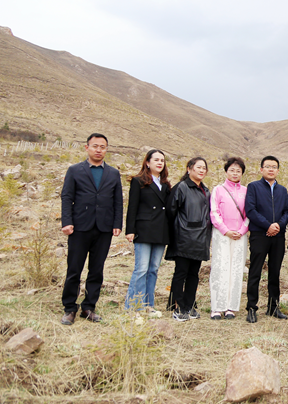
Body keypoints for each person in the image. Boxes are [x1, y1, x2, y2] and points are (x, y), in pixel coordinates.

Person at [60, 133, 123, 325]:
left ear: (106, 149)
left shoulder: (113, 173)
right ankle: (70, 308)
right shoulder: (74, 170)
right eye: (95, 146)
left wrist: (117, 224)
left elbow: (118, 201)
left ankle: (89, 307)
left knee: (96, 270)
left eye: (102, 147)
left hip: (104, 228)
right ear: (87, 147)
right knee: (74, 268)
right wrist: (66, 222)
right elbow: (66, 197)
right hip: (79, 227)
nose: (99, 150)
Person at [244, 155, 288, 323]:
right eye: (268, 166)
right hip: (259, 235)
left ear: (278, 170)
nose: (271, 169)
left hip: (278, 236)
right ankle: (251, 307)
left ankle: (273, 307)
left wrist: (278, 225)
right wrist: (267, 226)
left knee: (275, 272)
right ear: (261, 169)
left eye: (274, 167)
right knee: (255, 271)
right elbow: (250, 210)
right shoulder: (253, 187)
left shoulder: (282, 190)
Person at [124, 149, 171, 311]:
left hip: (161, 230)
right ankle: (134, 305)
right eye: (156, 160)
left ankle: (149, 305)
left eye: (162, 160)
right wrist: (130, 230)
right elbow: (132, 207)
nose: (159, 163)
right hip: (144, 229)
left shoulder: (165, 184)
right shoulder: (138, 181)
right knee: (141, 269)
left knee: (153, 269)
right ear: (147, 162)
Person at [166, 157, 212, 322]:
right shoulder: (181, 187)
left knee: (194, 274)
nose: (201, 170)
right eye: (198, 167)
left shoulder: (205, 190)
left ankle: (190, 305)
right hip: (184, 238)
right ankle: (178, 306)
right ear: (189, 169)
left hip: (200, 240)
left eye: (204, 168)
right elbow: (171, 212)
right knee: (181, 273)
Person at [209, 157, 249, 320]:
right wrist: (225, 230)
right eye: (232, 170)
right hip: (222, 234)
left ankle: (231, 307)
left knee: (236, 268)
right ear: (226, 172)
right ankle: (217, 307)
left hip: (240, 236)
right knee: (220, 267)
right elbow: (214, 212)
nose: (235, 173)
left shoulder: (246, 191)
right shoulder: (218, 190)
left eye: (238, 171)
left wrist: (242, 230)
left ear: (242, 173)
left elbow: (249, 214)